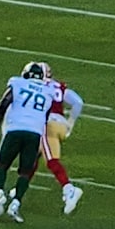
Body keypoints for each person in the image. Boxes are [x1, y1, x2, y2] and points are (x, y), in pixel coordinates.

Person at [0, 62, 65, 223]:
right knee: (25, 172)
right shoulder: (48, 92)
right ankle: (16, 203)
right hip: (35, 133)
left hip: (15, 129)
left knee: (2, 165)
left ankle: (0, 192)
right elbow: (45, 115)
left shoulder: (18, 83)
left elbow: (3, 105)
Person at [28, 63, 86, 215]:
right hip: (61, 125)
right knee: (34, 154)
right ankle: (20, 189)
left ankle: (69, 189)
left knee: (51, 160)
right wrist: (70, 124)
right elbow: (78, 102)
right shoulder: (57, 86)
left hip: (48, 125)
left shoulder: (37, 86)